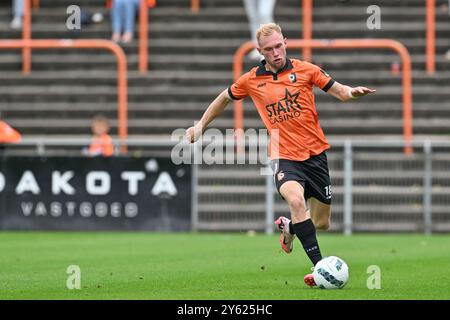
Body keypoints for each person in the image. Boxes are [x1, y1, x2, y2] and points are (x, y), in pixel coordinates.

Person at [185, 23, 375, 287]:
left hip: (316, 155)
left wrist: (352, 92)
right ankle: (320, 268)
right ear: (260, 51)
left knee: (321, 222)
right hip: (284, 156)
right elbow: (224, 98)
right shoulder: (251, 79)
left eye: (279, 45)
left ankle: (291, 228)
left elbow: (340, 91)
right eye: (269, 49)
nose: (276, 52)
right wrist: (200, 125)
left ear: (285, 42)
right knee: (297, 202)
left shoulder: (306, 70)